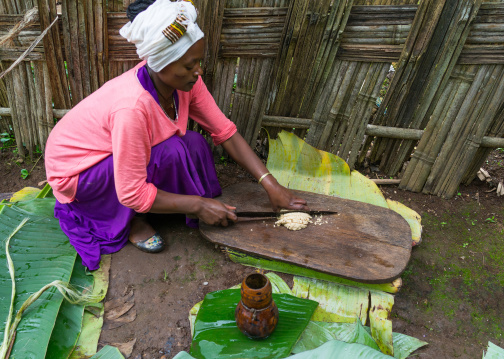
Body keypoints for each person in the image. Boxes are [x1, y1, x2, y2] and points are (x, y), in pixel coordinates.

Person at [44, 0, 308, 271]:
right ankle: (132, 220)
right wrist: (196, 204)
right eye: (190, 65)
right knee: (169, 151)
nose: (199, 71)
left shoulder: (187, 83)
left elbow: (225, 132)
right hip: (80, 173)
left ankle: (170, 205)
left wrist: (270, 184)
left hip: (114, 154)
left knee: (192, 144)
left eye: (199, 62)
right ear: (160, 64)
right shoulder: (132, 108)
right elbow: (131, 192)